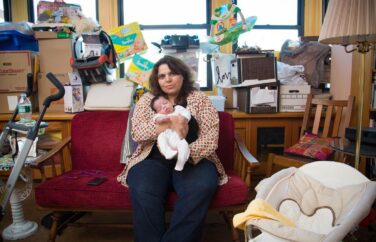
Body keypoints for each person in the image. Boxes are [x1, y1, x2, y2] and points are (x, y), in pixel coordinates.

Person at [117, 55, 228, 242]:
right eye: (162, 76)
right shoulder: (147, 100)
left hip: (193, 158)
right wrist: (169, 123)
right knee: (143, 189)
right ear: (156, 80)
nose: (167, 79)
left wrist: (184, 154)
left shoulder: (200, 99)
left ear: (183, 75)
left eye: (173, 74)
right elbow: (138, 133)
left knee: (201, 187)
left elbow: (211, 137)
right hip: (151, 158)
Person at [151, 95, 191, 171]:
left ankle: (180, 163)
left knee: (183, 144)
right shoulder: (160, 115)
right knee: (161, 138)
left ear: (170, 102)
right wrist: (162, 119)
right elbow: (156, 119)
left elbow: (186, 112)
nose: (164, 107)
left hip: (177, 136)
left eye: (165, 103)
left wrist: (184, 118)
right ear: (157, 112)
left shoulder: (178, 108)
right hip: (167, 135)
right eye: (160, 108)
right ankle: (168, 152)